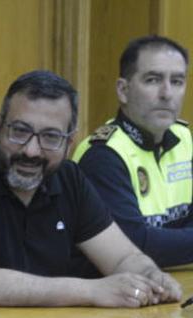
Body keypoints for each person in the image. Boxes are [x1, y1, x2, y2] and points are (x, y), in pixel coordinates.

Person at [0, 70, 182, 308]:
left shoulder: (69, 179)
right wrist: (92, 290)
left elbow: (123, 257)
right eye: (19, 132)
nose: (31, 150)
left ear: (69, 143)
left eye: (50, 137)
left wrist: (152, 277)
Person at [73, 35, 193, 268]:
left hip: (175, 278)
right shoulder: (103, 155)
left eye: (177, 81)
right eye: (152, 80)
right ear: (123, 90)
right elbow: (134, 243)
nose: (167, 93)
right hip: (116, 291)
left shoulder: (184, 138)